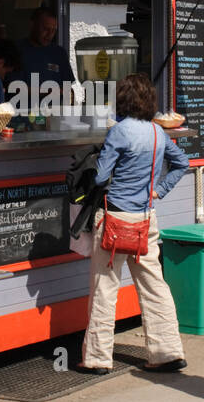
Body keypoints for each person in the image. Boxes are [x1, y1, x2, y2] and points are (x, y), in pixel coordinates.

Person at [78, 73, 190, 374]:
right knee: (154, 286)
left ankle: (98, 358)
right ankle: (167, 352)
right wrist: (160, 190)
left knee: (105, 288)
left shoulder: (119, 131)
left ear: (123, 100)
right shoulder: (157, 133)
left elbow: (101, 177)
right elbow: (182, 163)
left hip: (114, 219)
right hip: (145, 220)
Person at [10, 5, 75, 89]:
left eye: (53, 30)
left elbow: (67, 88)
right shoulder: (15, 50)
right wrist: (49, 92)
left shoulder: (59, 53)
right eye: (45, 29)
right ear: (32, 25)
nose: (50, 34)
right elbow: (13, 87)